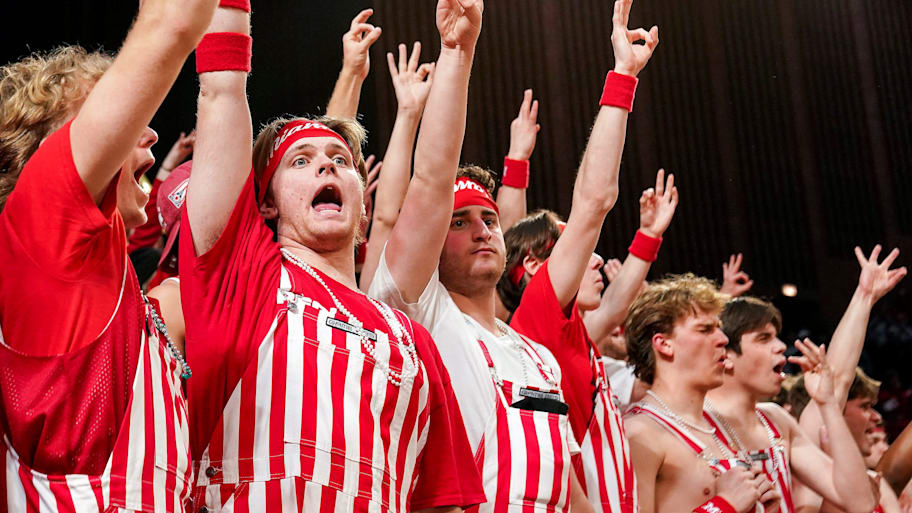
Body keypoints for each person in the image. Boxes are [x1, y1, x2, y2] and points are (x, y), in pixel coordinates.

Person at [180, 2, 484, 511]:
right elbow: (222, 89)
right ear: (267, 202)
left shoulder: (410, 340)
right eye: (301, 161)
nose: (326, 166)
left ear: (363, 197)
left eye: (341, 161)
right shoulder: (240, 279)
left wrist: (457, 51)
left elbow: (443, 501)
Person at [370, 0, 658, 510]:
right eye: (458, 223)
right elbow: (431, 178)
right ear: (430, 244)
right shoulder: (419, 316)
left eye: (488, 220)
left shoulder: (537, 356)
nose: (483, 230)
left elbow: (595, 204)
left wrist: (622, 77)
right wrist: (458, 54)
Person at [0, 0, 217, 509]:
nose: (150, 130)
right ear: (52, 146)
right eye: (126, 116)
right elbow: (174, 22)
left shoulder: (129, 297)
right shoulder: (39, 228)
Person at [505, 169, 676, 513]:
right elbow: (592, 203)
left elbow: (614, 307)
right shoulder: (538, 323)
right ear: (535, 266)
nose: (596, 259)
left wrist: (648, 236)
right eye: (581, 254)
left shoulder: (573, 335)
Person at [623, 274, 782, 513]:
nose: (723, 339)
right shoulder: (639, 434)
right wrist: (724, 506)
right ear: (664, 344)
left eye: (718, 328)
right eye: (705, 329)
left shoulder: (720, 428)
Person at [706, 296, 879, 513]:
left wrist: (828, 404)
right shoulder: (692, 425)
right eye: (763, 338)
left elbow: (860, 502)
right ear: (726, 355)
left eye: (776, 337)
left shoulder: (776, 420)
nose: (780, 347)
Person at [790, 246, 906, 513]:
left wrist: (865, 297)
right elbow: (839, 379)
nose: (876, 418)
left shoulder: (875, 483)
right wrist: (863, 298)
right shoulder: (808, 457)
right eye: (864, 406)